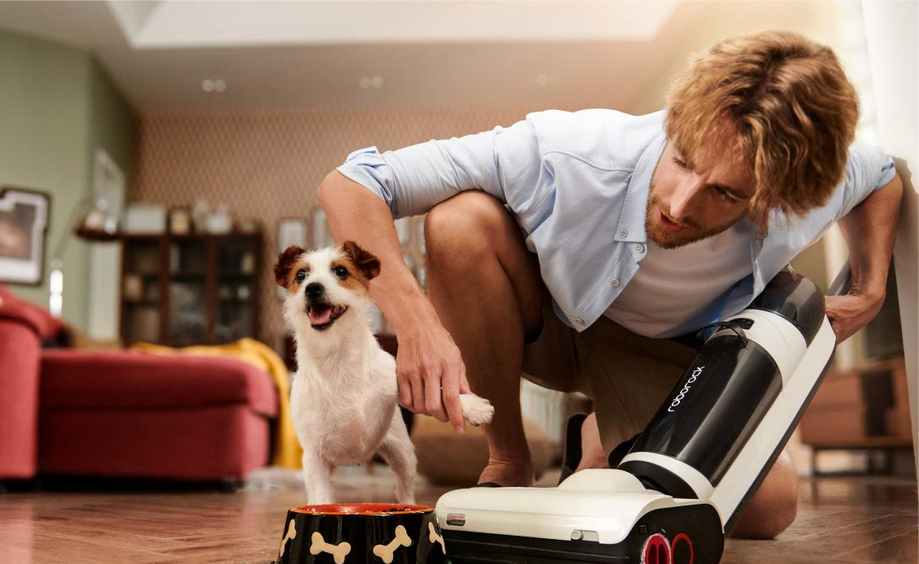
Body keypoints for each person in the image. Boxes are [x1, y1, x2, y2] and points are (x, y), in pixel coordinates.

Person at [316, 30, 902, 538]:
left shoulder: (804, 193)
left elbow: (881, 176)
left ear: (777, 198)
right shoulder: (563, 151)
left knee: (768, 509)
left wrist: (870, 286)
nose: (679, 204)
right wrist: (416, 326)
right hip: (545, 321)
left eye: (724, 193)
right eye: (683, 159)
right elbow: (352, 183)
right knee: (457, 221)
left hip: (662, 348)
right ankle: (509, 459)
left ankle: (599, 438)